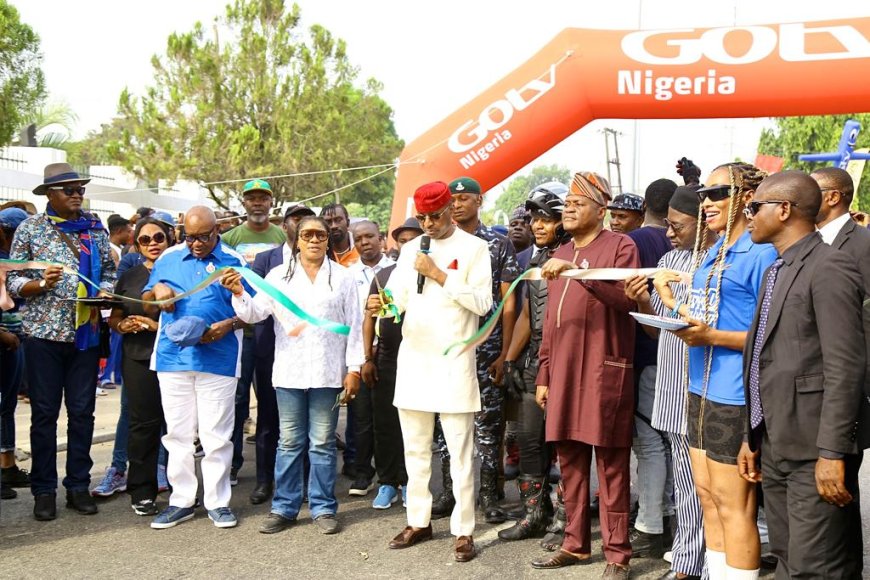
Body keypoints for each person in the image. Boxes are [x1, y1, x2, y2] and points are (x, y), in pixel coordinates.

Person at [737, 170, 866, 577]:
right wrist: (751, 434)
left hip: (814, 449)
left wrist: (831, 452)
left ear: (785, 209)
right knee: (789, 560)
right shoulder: (778, 268)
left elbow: (846, 367)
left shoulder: (829, 266)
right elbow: (764, 357)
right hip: (776, 442)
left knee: (817, 566)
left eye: (754, 207)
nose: (748, 215)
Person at [654, 163, 776, 579]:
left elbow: (770, 335)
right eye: (704, 194)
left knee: (735, 504)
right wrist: (669, 301)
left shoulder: (763, 252)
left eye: (717, 193)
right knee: (705, 496)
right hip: (697, 388)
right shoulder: (712, 252)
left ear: (746, 197)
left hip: (736, 394)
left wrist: (711, 338)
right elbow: (704, 319)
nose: (706, 202)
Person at [372, 181, 492, 563]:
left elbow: (483, 302)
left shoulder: (475, 248)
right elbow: (398, 302)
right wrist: (382, 303)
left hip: (454, 361)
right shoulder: (409, 250)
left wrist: (440, 275)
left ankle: (463, 530)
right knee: (415, 449)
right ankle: (419, 521)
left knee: (459, 451)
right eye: (422, 217)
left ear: (450, 211)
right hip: (415, 360)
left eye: (434, 216)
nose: (428, 224)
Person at [222, 215, 362, 536]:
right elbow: (254, 313)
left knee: (323, 444)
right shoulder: (277, 276)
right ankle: (284, 507)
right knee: (289, 443)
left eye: (321, 235)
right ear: (296, 240)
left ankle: (323, 507)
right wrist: (239, 292)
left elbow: (354, 327)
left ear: (328, 240)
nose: (314, 240)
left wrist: (354, 369)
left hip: (328, 374)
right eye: (308, 234)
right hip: (288, 373)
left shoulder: (342, 278)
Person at [530, 172, 638, 579]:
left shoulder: (620, 246)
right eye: (567, 204)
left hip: (603, 372)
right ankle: (574, 545)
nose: (568, 209)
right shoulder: (561, 251)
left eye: (578, 203)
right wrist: (544, 374)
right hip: (561, 376)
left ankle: (617, 554)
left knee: (611, 465)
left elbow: (625, 299)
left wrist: (576, 272)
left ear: (601, 208)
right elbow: (549, 325)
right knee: (570, 462)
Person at [6, 163, 116, 521]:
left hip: (85, 333)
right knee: (44, 415)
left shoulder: (94, 227)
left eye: (79, 188)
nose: (76, 194)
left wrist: (105, 294)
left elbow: (111, 272)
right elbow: (12, 281)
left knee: (83, 412)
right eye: (68, 189)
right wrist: (40, 285)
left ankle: (78, 486)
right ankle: (43, 490)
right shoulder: (30, 228)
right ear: (49, 195)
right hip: (43, 336)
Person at [625, 184, 713, 580]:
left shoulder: (720, 261)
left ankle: (708, 562)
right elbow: (657, 333)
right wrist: (643, 301)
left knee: (710, 487)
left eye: (678, 225)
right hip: (674, 386)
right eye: (669, 224)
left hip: (713, 388)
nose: (669, 231)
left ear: (705, 221)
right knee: (684, 483)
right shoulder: (670, 258)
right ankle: (687, 561)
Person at [142, 206, 247, 529]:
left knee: (216, 436)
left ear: (218, 231)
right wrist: (156, 293)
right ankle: (181, 500)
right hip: (173, 359)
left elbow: (254, 310)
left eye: (204, 237)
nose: (197, 244)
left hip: (219, 358)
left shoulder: (234, 260)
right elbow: (147, 298)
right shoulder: (169, 258)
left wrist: (228, 325)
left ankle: (218, 502)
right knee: (177, 434)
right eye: (190, 237)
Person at [430, 176, 518, 525]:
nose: (457, 204)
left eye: (464, 198)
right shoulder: (436, 243)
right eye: (452, 199)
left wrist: (505, 352)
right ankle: (450, 491)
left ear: (479, 200)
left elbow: (508, 302)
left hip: (486, 348)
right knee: (446, 423)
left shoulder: (497, 244)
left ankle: (489, 494)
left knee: (488, 425)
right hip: (448, 349)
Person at [500, 181, 570, 543]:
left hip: (566, 360)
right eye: (534, 218)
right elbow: (528, 311)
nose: (537, 225)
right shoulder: (534, 258)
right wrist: (511, 358)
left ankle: (564, 520)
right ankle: (534, 515)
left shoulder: (575, 254)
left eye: (546, 218)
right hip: (533, 359)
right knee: (529, 440)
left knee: (565, 445)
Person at [220, 179, 286, 486]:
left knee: (271, 402)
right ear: (244, 203)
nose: (257, 203)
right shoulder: (230, 238)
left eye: (263, 198)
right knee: (235, 401)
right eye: (252, 198)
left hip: (271, 333)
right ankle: (232, 464)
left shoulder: (283, 237)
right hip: (237, 333)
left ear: (271, 202)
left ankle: (273, 468)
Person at [623, 179, 675, 559]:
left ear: (644, 206)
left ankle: (650, 523)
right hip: (674, 354)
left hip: (647, 353)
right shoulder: (683, 246)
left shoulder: (636, 241)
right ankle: (669, 515)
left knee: (649, 441)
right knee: (672, 444)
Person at [108, 217, 172, 516]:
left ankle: (180, 488)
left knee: (180, 427)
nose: (153, 244)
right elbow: (114, 317)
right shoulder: (130, 276)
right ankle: (142, 490)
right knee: (143, 424)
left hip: (176, 356)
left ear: (169, 238)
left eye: (158, 237)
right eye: (145, 240)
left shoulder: (180, 270)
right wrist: (123, 325)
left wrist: (154, 324)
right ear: (136, 245)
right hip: (138, 357)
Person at [361, 218, 422, 510]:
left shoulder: (430, 274)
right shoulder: (384, 275)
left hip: (421, 356)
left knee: (414, 426)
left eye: (414, 239)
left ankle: (411, 482)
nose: (407, 244)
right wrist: (367, 358)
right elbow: (369, 318)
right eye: (403, 239)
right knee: (384, 423)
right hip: (386, 357)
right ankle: (387, 483)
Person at [812, 166, 870, 449]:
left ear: (833, 197)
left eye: (812, 193)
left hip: (847, 386)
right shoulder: (807, 242)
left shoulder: (863, 245)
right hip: (810, 385)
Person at [247, 206, 300, 506]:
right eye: (295, 218)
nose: (300, 223)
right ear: (283, 224)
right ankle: (264, 480)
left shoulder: (319, 256)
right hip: (269, 350)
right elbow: (256, 303)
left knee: (300, 422)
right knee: (268, 419)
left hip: (305, 351)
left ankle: (297, 481)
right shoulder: (265, 260)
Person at [347, 220, 394, 497]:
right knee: (361, 417)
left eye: (369, 237)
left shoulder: (396, 271)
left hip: (389, 353)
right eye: (359, 238)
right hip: (360, 353)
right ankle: (363, 473)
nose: (364, 242)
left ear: (381, 238)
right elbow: (352, 319)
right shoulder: (348, 275)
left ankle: (391, 476)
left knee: (388, 419)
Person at [0, 208, 31, 499]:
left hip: (14, 340)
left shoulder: (15, 261)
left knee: (7, 406)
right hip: (5, 338)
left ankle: (7, 465)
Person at [321, 203, 360, 268]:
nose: (334, 226)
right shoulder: (319, 252)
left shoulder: (361, 246)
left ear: (348, 222)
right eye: (328, 222)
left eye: (338, 220)